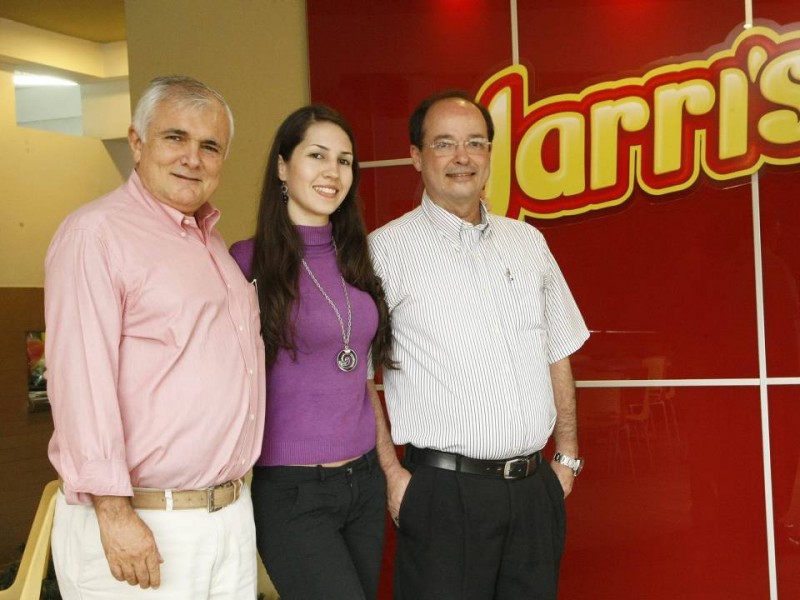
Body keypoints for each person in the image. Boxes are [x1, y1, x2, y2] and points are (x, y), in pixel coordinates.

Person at [44, 75, 266, 599]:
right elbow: (81, 382)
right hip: (140, 519)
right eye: (175, 138)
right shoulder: (95, 234)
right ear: (137, 142)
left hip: (226, 517)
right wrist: (115, 513)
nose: (193, 157)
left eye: (210, 146)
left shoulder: (212, 247)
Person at [368, 90, 590, 600]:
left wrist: (568, 456)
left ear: (490, 154)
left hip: (535, 490)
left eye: (475, 143)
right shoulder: (384, 251)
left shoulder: (527, 242)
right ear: (416, 157)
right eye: (444, 144)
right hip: (444, 495)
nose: (462, 157)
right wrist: (391, 476)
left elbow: (558, 349)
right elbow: (356, 377)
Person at [229, 104, 395, 600]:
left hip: (363, 483)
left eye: (345, 161)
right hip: (291, 488)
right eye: (317, 155)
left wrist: (386, 470)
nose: (333, 171)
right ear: (282, 166)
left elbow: (361, 373)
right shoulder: (245, 261)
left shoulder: (358, 260)